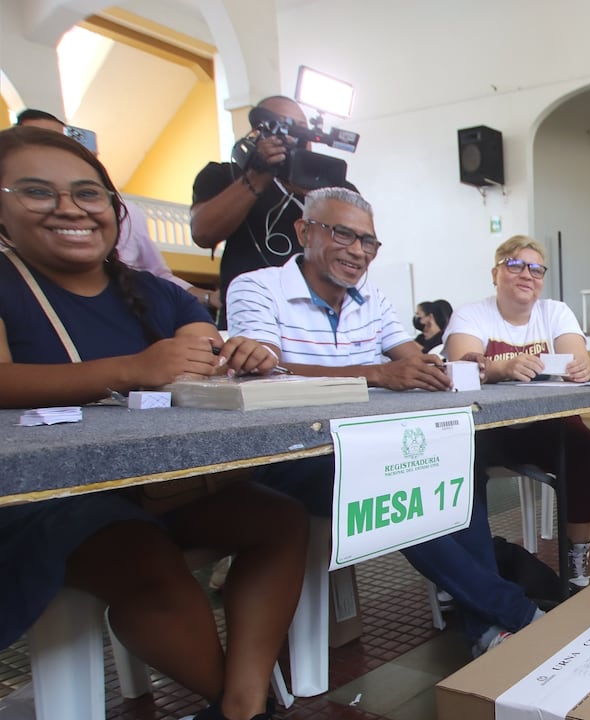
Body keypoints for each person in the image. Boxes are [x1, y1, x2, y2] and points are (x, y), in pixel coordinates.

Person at [0, 126, 309, 720]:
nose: (70, 208)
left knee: (279, 518)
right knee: (137, 552)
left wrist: (240, 359)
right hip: (42, 494)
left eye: (88, 195)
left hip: (148, 484)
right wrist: (132, 369)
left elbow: (204, 347)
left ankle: (241, 705)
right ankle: (244, 707)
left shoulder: (154, 292)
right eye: (38, 192)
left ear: (115, 212)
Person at [226, 187, 543, 656]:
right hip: (290, 454)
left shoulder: (370, 298)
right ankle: (515, 613)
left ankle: (487, 630)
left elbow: (410, 356)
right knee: (394, 482)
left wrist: (450, 363)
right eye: (342, 234)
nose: (357, 251)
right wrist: (376, 373)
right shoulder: (257, 287)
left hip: (367, 444)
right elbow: (264, 370)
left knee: (457, 460)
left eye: (368, 242)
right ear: (304, 231)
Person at [445, 235, 590, 588]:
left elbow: (576, 358)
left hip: (545, 426)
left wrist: (580, 369)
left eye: (536, 268)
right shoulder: (472, 314)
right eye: (515, 264)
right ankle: (468, 570)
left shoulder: (555, 312)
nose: (526, 274)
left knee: (587, 451)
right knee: (458, 463)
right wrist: (504, 368)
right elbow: (462, 365)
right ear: (495, 272)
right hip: (488, 427)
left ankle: (575, 558)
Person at [16, 108, 219, 311]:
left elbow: (157, 274)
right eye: (39, 142)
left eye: (61, 142)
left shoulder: (127, 213)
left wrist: (209, 298)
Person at [190, 96, 356, 327]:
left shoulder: (333, 185)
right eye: (285, 127)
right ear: (259, 131)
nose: (294, 138)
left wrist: (314, 196)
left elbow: (355, 246)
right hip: (252, 318)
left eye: (302, 130)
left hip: (320, 321)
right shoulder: (223, 175)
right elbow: (203, 232)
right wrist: (258, 176)